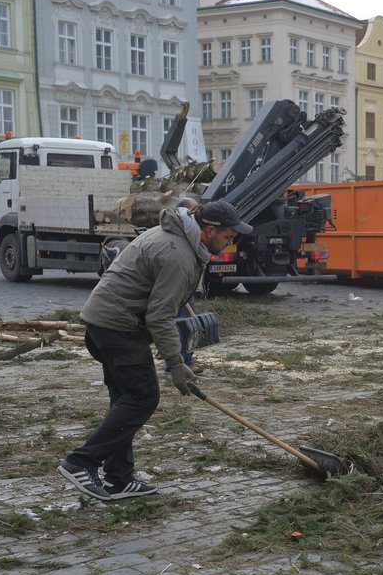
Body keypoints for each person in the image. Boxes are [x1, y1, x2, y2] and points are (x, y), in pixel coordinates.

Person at [57, 200, 253, 502]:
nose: (230, 243)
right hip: (117, 327)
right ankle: (81, 462)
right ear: (209, 230)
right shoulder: (178, 256)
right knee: (143, 396)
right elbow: (159, 316)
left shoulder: (178, 236)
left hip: (104, 322)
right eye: (228, 236)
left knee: (125, 400)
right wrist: (176, 363)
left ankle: (119, 479)